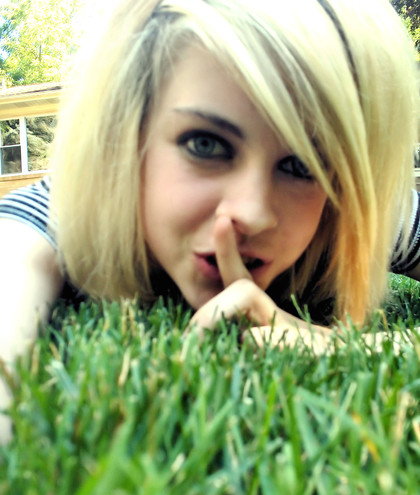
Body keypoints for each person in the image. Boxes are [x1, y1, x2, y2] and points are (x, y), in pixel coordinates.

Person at [0, 0, 419, 442]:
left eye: (303, 166)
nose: (253, 214)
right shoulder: (64, 211)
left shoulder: (356, 211)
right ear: (129, 134)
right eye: (205, 144)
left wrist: (344, 344)